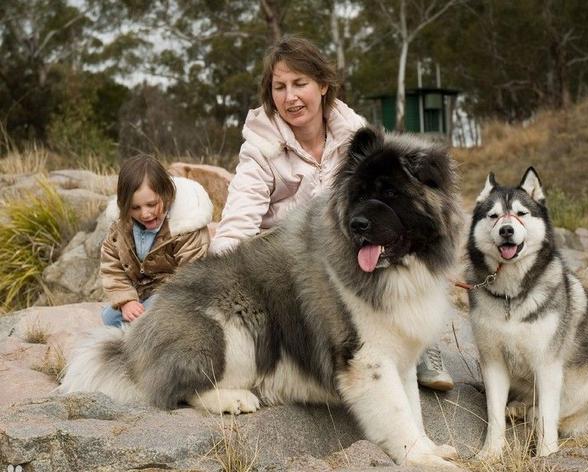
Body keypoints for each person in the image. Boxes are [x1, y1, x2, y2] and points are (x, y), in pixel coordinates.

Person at [210, 35, 453, 391]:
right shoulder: (259, 150)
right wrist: (216, 281)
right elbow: (237, 221)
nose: (290, 97)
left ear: (323, 85)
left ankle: (421, 348)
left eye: (299, 83)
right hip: (289, 258)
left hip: (348, 245)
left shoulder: (358, 136)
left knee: (413, 253)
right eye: (279, 87)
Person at [100, 155, 213, 327]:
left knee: (154, 311)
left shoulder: (185, 226)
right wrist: (126, 301)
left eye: (151, 204)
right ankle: (140, 327)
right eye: (135, 207)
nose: (145, 214)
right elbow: (111, 267)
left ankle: (149, 332)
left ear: (167, 194)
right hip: (139, 294)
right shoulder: (120, 228)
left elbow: (192, 272)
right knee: (109, 318)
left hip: (172, 293)